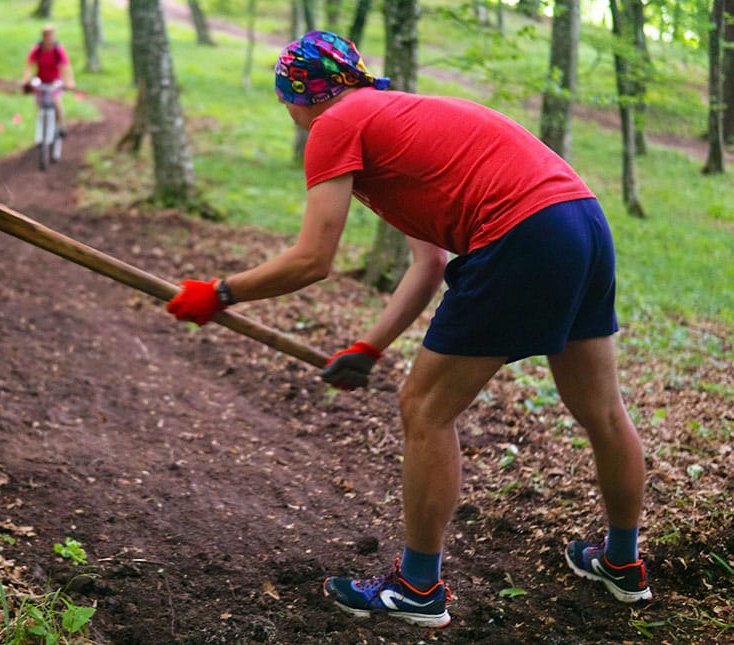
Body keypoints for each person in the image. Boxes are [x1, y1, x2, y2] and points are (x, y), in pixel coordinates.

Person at [166, 30, 652, 628]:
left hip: (521, 231)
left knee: (425, 409)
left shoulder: (334, 125)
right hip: (581, 221)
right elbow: (429, 264)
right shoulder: (392, 120)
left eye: (284, 99)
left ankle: (418, 587)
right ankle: (622, 562)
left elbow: (312, 259)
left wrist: (220, 293)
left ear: (298, 96)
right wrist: (369, 348)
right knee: (603, 411)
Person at [22, 25, 75, 136]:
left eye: (50, 36)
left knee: (56, 100)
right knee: (39, 102)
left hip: (55, 81)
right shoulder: (37, 49)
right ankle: (42, 128)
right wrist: (26, 80)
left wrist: (69, 81)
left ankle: (61, 125)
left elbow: (66, 66)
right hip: (41, 80)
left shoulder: (57, 50)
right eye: (46, 36)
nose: (49, 38)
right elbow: (29, 66)